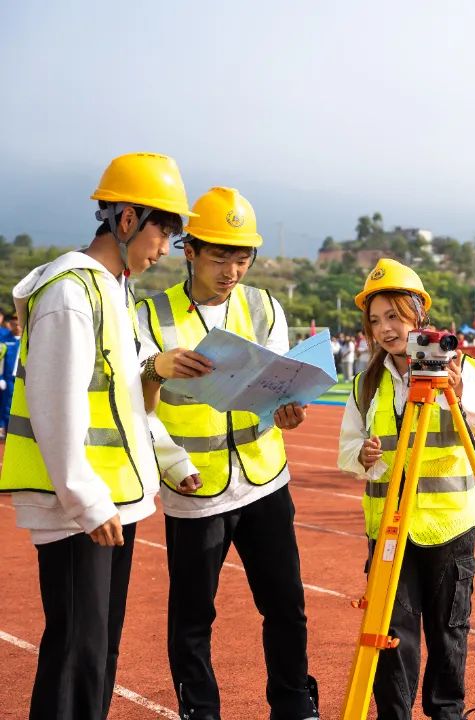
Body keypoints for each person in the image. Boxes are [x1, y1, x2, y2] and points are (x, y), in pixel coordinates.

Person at [0, 152, 200, 720]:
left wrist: (171, 460)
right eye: (163, 234)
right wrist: (86, 499)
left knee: (99, 652)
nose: (164, 251)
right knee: (75, 653)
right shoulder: (70, 293)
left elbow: (126, 401)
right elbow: (55, 406)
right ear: (128, 219)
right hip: (78, 510)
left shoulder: (116, 292)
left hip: (112, 503)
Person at [137, 187, 318, 720]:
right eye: (220, 258)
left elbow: (282, 385)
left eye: (242, 259)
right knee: (193, 616)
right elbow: (135, 403)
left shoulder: (263, 306)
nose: (231, 271)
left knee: (286, 605)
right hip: (195, 486)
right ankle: (200, 710)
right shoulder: (150, 315)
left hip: (265, 479)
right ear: (189, 250)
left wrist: (289, 410)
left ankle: (294, 703)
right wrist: (155, 372)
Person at [338, 258, 475, 719]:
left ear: (418, 314)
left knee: (450, 628)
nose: (385, 329)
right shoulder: (365, 384)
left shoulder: (457, 366)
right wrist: (362, 456)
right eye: (375, 321)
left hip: (449, 524)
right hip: (390, 529)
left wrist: (457, 391)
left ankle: (447, 712)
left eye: (394, 316)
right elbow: (347, 449)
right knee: (392, 631)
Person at [0, 313, 21, 440]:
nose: (17, 326)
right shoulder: (5, 339)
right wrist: (1, 378)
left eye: (19, 323)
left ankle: (14, 430)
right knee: (6, 404)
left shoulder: (26, 340)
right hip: (8, 379)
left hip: (22, 379)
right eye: (14, 323)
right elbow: (1, 359)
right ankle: (3, 428)